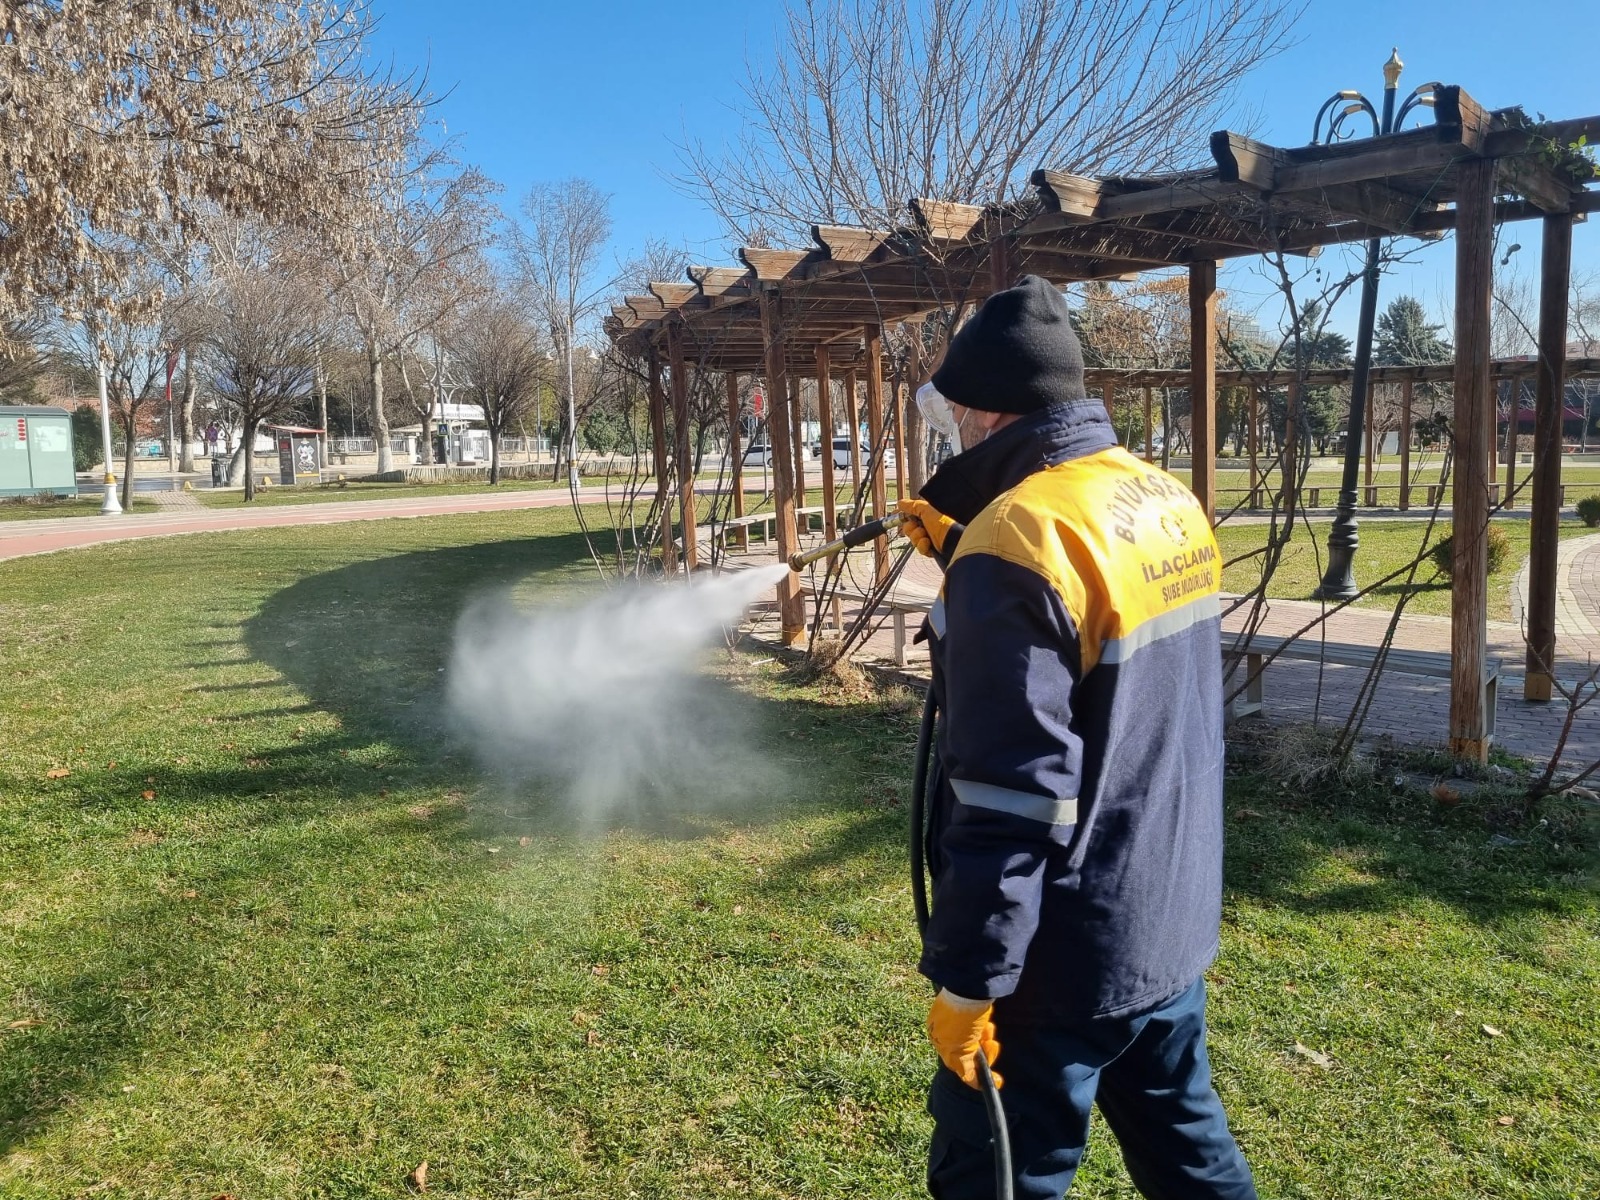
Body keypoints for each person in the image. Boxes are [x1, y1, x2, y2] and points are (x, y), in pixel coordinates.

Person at [896, 276, 1256, 1200]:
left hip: (1056, 960)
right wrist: (967, 559)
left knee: (998, 1180)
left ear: (983, 413)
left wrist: (973, 982)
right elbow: (1117, 696)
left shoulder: (1014, 544)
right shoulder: (1161, 498)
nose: (948, 432)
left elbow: (1011, 793)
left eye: (951, 414)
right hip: (1164, 921)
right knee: (1189, 1154)